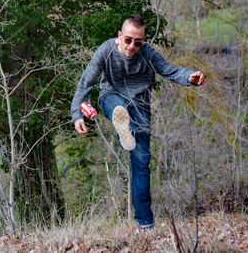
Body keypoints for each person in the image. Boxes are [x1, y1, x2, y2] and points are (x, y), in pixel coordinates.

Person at [71, 14, 205, 230]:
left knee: (141, 163)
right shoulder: (106, 51)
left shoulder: (147, 53)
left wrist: (190, 77)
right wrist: (76, 115)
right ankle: (124, 127)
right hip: (111, 97)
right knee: (116, 106)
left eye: (138, 42)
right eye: (128, 40)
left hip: (141, 107)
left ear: (143, 41)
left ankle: (145, 224)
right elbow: (86, 82)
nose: (132, 46)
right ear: (119, 35)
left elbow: (169, 70)